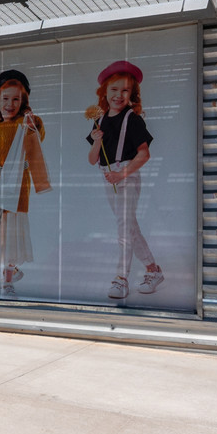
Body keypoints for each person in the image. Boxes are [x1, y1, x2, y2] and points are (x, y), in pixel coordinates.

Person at [86, 60, 163, 299]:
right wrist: (97, 140)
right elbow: (92, 159)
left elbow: (144, 153)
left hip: (126, 176)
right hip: (109, 178)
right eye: (114, 90)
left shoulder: (133, 119)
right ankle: (153, 269)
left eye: (125, 90)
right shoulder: (100, 121)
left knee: (123, 228)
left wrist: (122, 174)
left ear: (132, 94)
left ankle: (121, 278)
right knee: (129, 227)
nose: (118, 95)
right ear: (105, 92)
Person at [0, 70, 51, 298]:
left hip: (10, 190)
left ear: (23, 101)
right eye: (5, 99)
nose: (10, 104)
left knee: (7, 235)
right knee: (7, 235)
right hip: (5, 189)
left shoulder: (22, 125)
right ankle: (10, 271)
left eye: (16, 99)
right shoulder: (2, 126)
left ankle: (7, 279)